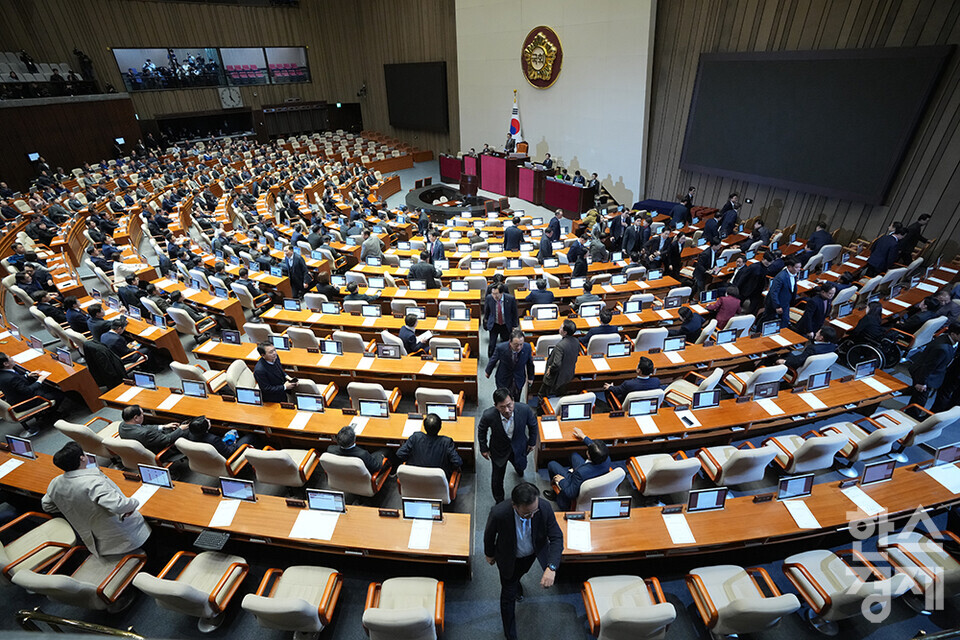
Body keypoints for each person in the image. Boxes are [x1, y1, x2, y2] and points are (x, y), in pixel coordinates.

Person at [42, 442, 151, 557]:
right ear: (82, 458)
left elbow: (47, 505)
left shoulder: (55, 482)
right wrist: (135, 501)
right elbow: (119, 506)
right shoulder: (93, 482)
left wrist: (74, 508)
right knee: (149, 536)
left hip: (92, 535)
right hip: (120, 533)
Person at [484, 481, 563, 640]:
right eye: (527, 514)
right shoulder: (499, 513)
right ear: (515, 506)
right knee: (507, 596)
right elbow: (489, 535)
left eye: (535, 511)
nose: (532, 516)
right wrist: (489, 554)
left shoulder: (544, 507)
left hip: (530, 556)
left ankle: (516, 584)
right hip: (507, 558)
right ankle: (510, 635)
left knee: (518, 574)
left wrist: (551, 567)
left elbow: (556, 537)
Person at [478, 388, 538, 503]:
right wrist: (483, 448)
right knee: (497, 479)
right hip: (499, 450)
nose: (507, 410)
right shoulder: (488, 415)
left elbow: (533, 425)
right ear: (496, 406)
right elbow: (482, 430)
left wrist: (532, 442)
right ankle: (499, 500)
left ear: (513, 401)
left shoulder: (524, 410)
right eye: (502, 407)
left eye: (509, 405)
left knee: (521, 466)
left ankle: (519, 470)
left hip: (520, 447)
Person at [544, 427, 612, 509]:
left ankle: (556, 494)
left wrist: (562, 481)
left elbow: (570, 493)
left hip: (579, 480)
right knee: (574, 456)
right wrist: (583, 436)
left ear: (589, 455)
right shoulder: (606, 458)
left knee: (552, 464)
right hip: (594, 472)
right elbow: (595, 447)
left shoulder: (580, 473)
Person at [907, 322, 960, 416]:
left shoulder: (948, 341)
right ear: (953, 334)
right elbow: (927, 366)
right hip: (924, 376)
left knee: (918, 396)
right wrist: (921, 382)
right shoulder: (942, 348)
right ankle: (910, 418)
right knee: (920, 399)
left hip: (933, 374)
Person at [396, 413, 462, 479]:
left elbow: (400, 454)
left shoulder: (415, 437)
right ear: (440, 427)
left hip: (415, 481)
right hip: (438, 484)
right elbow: (457, 462)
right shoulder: (446, 442)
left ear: (424, 427)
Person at [486, 329, 534, 401]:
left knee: (517, 397)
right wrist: (488, 371)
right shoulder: (501, 348)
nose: (519, 347)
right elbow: (493, 360)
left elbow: (530, 363)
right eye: (516, 345)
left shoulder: (527, 347)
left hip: (519, 378)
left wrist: (530, 377)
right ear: (510, 342)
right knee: (503, 399)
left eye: (521, 344)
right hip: (503, 378)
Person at [118, 404, 188, 453]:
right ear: (136, 418)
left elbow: (143, 427)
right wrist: (181, 428)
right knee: (185, 431)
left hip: (144, 446)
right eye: (142, 414)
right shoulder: (145, 433)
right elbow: (167, 439)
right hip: (159, 450)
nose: (143, 416)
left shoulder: (123, 425)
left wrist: (163, 426)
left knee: (169, 429)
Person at [540, 320, 580, 398]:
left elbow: (556, 364)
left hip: (555, 377)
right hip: (567, 375)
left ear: (565, 332)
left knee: (542, 395)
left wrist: (550, 369)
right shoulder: (576, 341)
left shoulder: (560, 346)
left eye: (561, 327)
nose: (559, 328)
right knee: (561, 394)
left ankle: (540, 409)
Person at [185, 415, 255, 457]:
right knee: (250, 436)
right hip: (230, 456)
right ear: (205, 427)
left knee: (238, 433)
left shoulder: (191, 435)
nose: (209, 421)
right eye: (207, 421)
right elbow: (229, 452)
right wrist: (234, 443)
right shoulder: (213, 439)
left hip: (211, 457)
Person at [765, 256, 801, 328]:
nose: (799, 269)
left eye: (799, 267)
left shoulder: (793, 275)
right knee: (767, 321)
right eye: (797, 267)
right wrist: (777, 306)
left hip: (785, 303)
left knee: (784, 322)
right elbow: (774, 292)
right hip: (775, 304)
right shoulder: (781, 277)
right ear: (789, 267)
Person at [484, 284, 519, 358]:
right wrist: (486, 321)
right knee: (492, 344)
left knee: (506, 344)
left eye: (496, 294)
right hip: (494, 324)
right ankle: (491, 359)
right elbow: (487, 311)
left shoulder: (510, 299)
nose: (494, 296)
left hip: (505, 325)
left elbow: (515, 313)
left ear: (502, 293)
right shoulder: (489, 298)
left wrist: (515, 326)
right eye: (493, 293)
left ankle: (505, 358)